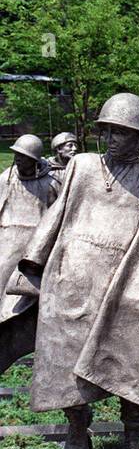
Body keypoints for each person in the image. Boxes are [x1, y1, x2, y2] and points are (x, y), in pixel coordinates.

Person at [5, 93, 139, 449]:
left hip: (133, 283)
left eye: (122, 132)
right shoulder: (82, 167)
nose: (113, 139)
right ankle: (77, 428)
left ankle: (133, 438)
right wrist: (33, 268)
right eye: (107, 131)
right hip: (74, 283)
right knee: (66, 362)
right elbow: (55, 218)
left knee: (137, 359)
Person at [0, 135, 60, 372]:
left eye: (23, 157)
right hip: (6, 239)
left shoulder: (51, 182)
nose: (18, 160)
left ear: (34, 160)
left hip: (33, 243)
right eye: (16, 155)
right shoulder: (7, 177)